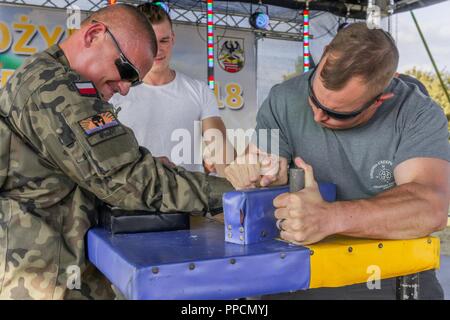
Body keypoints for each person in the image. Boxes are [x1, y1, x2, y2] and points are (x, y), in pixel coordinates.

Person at [0, 4, 232, 300]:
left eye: (133, 81)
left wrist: (145, 166)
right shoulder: (56, 89)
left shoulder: (61, 77)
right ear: (94, 34)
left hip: (64, 262)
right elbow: (125, 177)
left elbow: (104, 166)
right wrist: (231, 192)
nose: (124, 88)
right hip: (47, 277)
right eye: (125, 70)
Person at [225, 23, 450, 299]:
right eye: (314, 100)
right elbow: (259, 167)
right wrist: (253, 174)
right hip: (298, 276)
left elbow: (430, 207)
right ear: (324, 56)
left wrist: (330, 217)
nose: (318, 117)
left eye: (336, 113)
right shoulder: (283, 98)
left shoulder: (416, 113)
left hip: (391, 277)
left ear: (381, 99)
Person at [110, 2, 233, 175]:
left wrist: (239, 181)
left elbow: (220, 148)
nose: (158, 50)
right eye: (151, 42)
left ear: (173, 39)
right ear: (136, 42)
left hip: (185, 198)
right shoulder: (115, 92)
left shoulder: (199, 90)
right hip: (129, 199)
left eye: (164, 40)